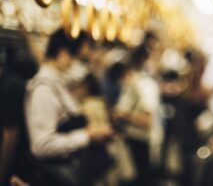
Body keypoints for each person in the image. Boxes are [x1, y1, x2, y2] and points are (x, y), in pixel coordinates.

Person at [25, 28, 113, 186]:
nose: (78, 64)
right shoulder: (43, 90)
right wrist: (87, 136)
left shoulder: (59, 84)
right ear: (63, 54)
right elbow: (41, 145)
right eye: (78, 58)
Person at [113, 42, 162, 186]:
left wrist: (124, 115)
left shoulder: (143, 86)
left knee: (144, 179)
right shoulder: (132, 85)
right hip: (135, 140)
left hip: (143, 143)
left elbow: (148, 120)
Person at [0, 45, 37, 186]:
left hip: (17, 166)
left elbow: (11, 137)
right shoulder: (10, 82)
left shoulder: (11, 87)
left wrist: (1, 175)